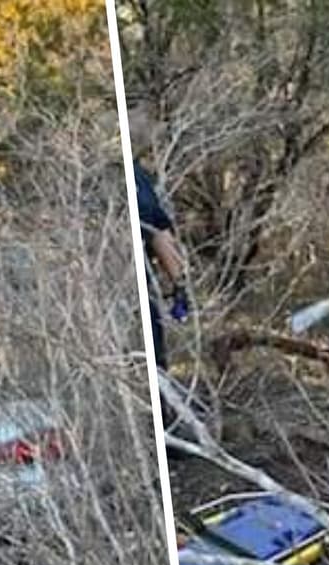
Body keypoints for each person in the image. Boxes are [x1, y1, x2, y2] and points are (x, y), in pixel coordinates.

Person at [128, 104, 189, 372]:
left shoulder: (140, 179)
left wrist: (178, 286)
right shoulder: (138, 179)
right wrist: (178, 285)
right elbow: (160, 235)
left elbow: (159, 234)